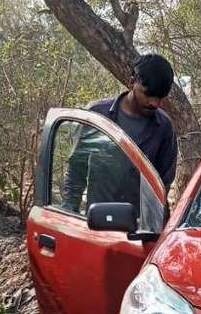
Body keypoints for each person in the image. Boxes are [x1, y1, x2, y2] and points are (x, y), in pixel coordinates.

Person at [63, 54, 178, 213]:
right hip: (99, 224)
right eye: (148, 95)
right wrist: (69, 213)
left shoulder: (164, 127)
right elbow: (76, 170)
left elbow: (163, 184)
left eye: (160, 98)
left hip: (142, 230)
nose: (155, 103)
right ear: (132, 82)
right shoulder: (97, 116)